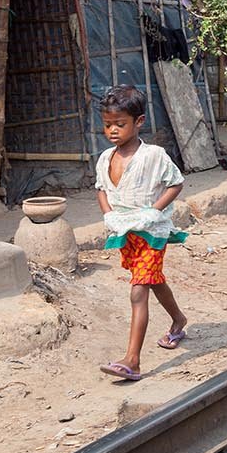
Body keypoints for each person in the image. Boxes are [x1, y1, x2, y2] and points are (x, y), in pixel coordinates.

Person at [95, 85, 187, 381]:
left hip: (152, 233)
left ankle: (132, 360)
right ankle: (178, 320)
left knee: (138, 290)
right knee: (151, 280)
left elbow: (176, 183)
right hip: (126, 233)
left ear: (139, 122)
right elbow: (101, 190)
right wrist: (108, 213)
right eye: (108, 124)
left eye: (120, 124)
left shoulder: (154, 156)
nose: (112, 130)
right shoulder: (105, 159)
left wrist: (155, 210)